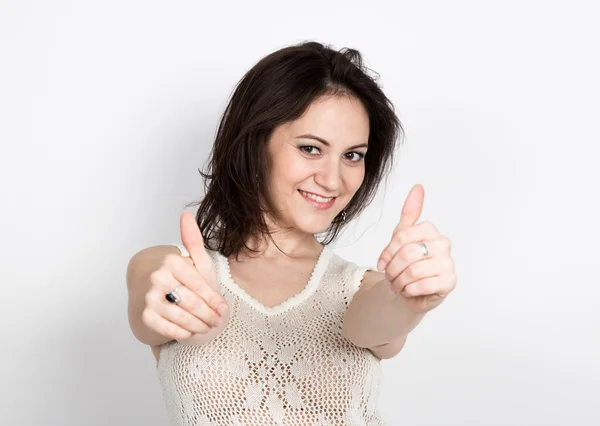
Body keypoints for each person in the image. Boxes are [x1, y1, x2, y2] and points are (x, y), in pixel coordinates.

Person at [126, 41, 457, 426]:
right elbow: (150, 302)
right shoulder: (169, 268)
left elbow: (375, 319)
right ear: (255, 144)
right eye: (311, 148)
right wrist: (180, 303)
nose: (333, 179)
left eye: (353, 155)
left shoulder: (363, 290)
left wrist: (409, 297)